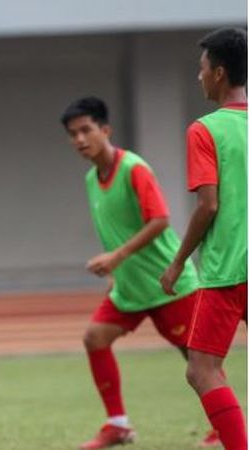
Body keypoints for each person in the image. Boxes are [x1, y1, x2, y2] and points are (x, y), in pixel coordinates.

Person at [60, 96, 210, 449]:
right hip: (129, 290)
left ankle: (222, 424)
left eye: (86, 130)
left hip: (169, 284)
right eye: (72, 134)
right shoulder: (90, 179)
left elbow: (160, 219)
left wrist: (117, 256)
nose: (80, 139)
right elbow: (113, 227)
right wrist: (116, 271)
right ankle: (118, 425)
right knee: (94, 338)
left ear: (105, 130)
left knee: (198, 362)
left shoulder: (134, 168)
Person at [161, 27, 247, 450]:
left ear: (219, 72)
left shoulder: (205, 130)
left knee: (202, 369)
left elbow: (208, 205)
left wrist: (177, 262)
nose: (199, 78)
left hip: (229, 269)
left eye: (201, 70)